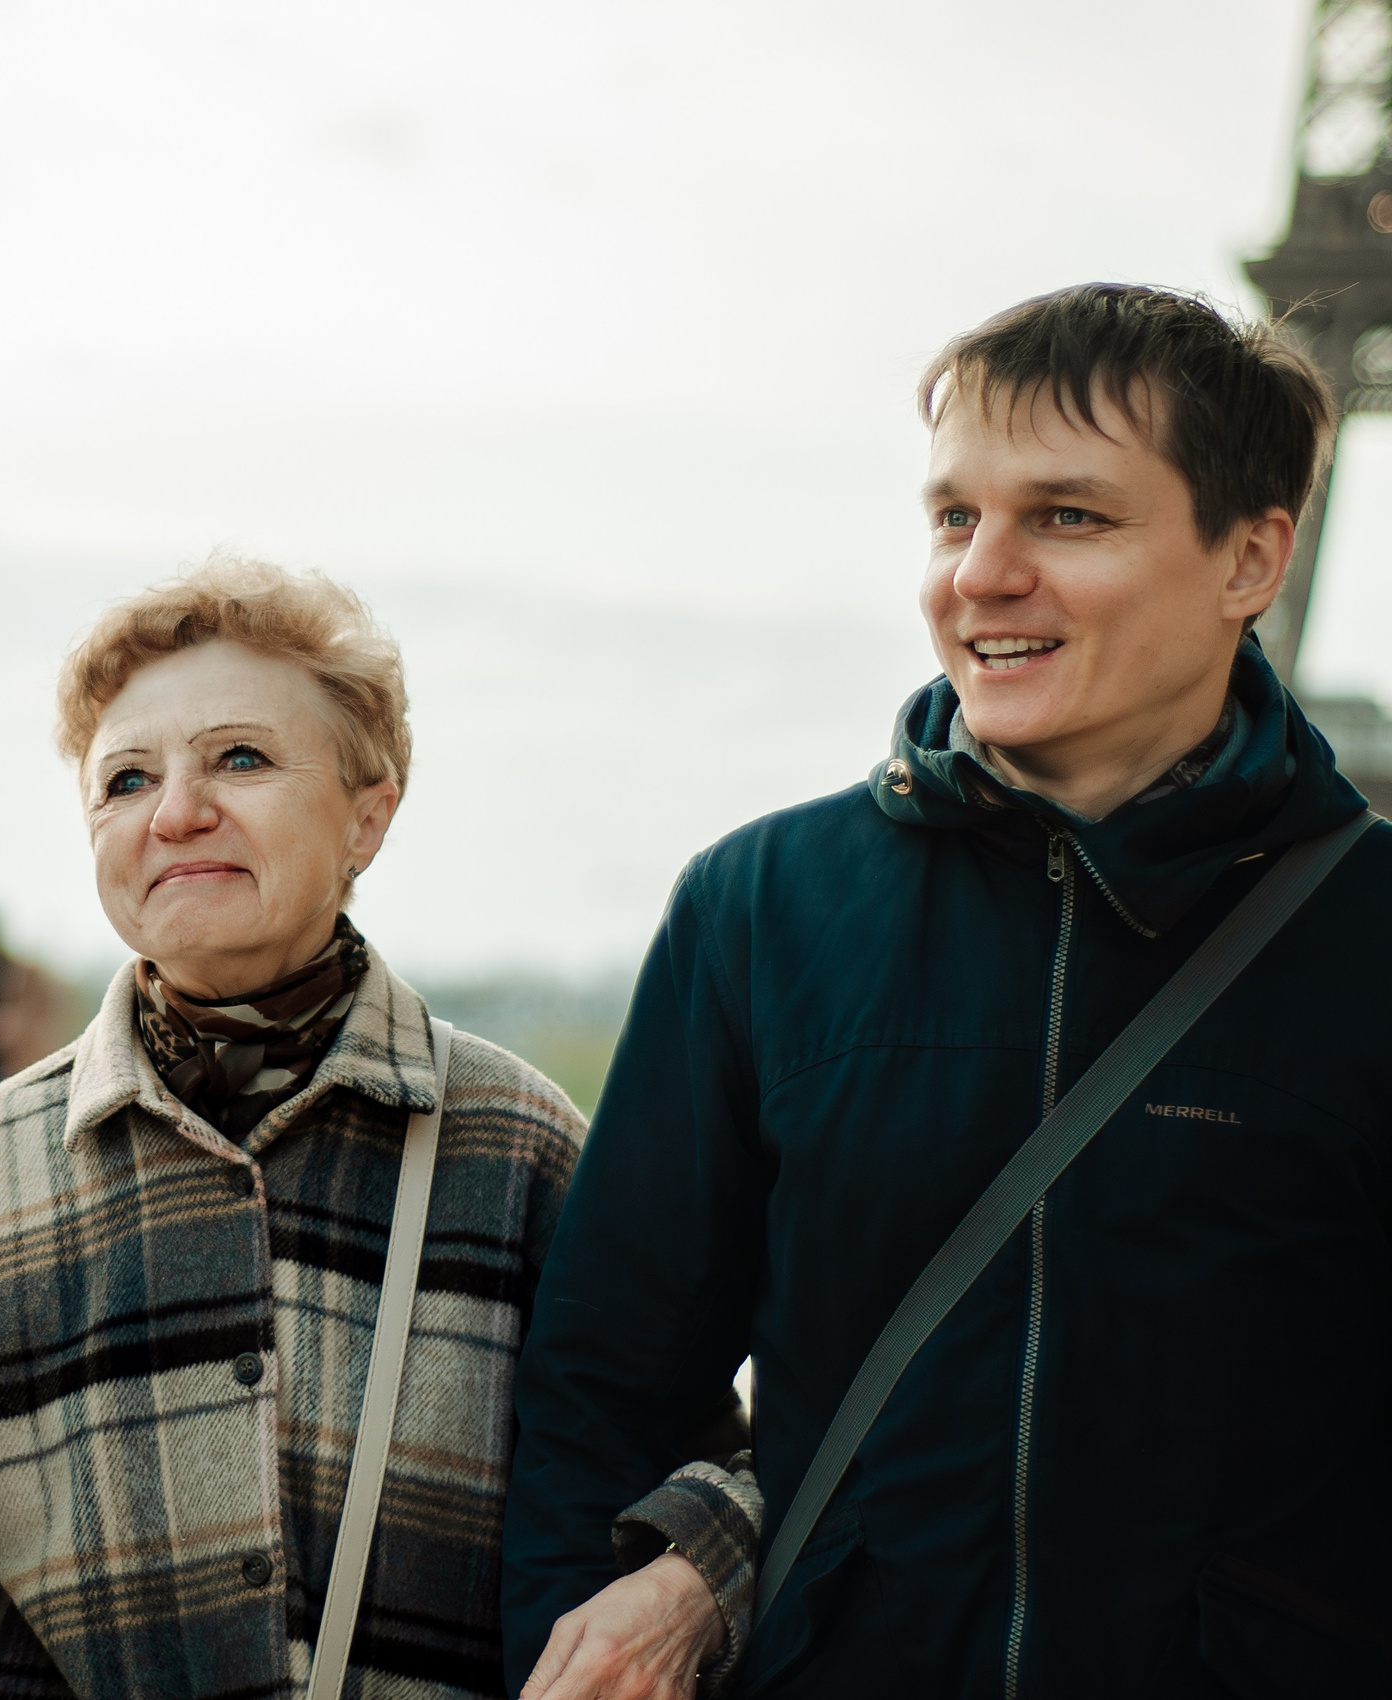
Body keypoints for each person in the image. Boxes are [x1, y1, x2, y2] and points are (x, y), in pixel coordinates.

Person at [0, 557, 762, 1698]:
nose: (177, 810)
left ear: (368, 813)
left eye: (241, 756)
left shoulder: (518, 1144)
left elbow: (713, 1466)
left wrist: (691, 1583)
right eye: (127, 778)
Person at [503, 283, 1386, 1697]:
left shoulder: (1368, 935)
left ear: (1251, 557)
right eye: (954, 517)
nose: (981, 573)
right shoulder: (758, 910)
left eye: (1068, 517)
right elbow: (601, 1399)